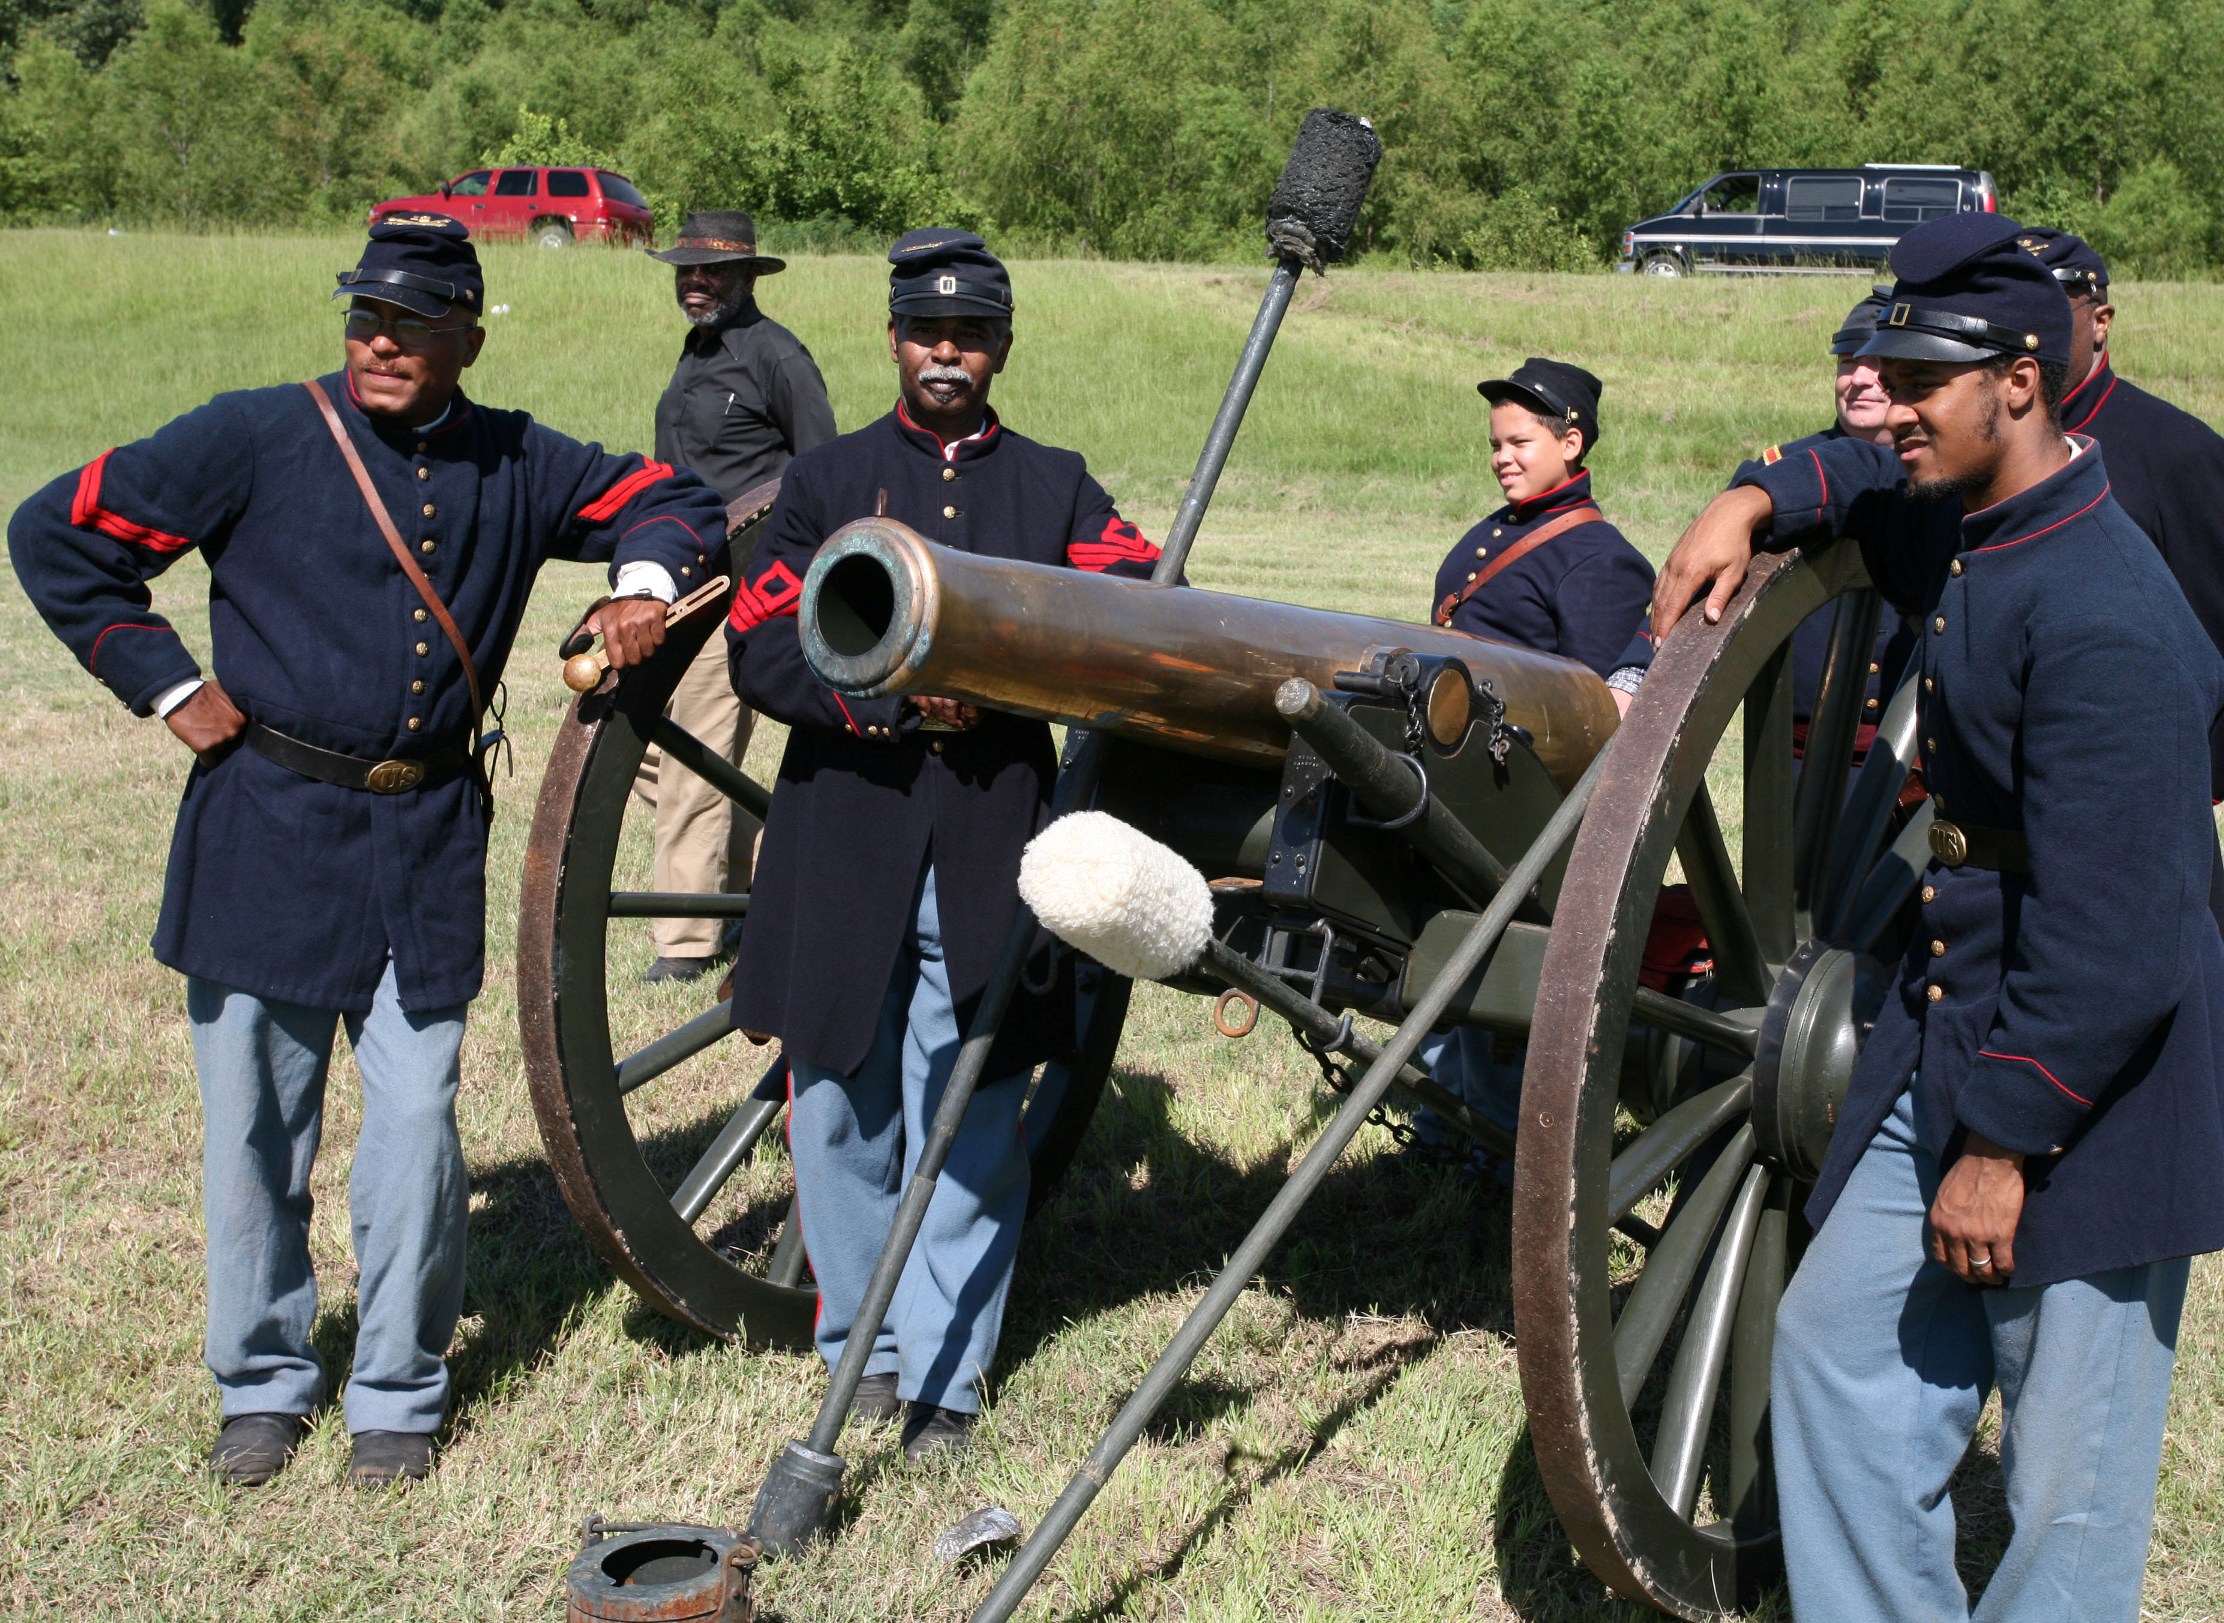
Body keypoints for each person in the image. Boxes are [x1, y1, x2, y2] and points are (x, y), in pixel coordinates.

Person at [7, 217, 728, 1490]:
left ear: (468, 336)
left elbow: (675, 500)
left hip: (430, 840)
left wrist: (638, 582)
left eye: (414, 323)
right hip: (267, 827)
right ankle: (264, 1386)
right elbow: (57, 532)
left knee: (414, 1127)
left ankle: (396, 1391)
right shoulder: (252, 433)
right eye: (367, 318)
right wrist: (167, 685)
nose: (383, 342)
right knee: (255, 1137)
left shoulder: (515, 456)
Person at [1651, 212, 2224, 1622]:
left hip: (2090, 1086)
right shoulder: (1982, 521)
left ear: (2017, 384)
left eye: (1920, 384)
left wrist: (2008, 1142)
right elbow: (1861, 480)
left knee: (2066, 1496)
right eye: (1885, 373)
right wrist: (1755, 494)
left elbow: (2129, 932)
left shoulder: (2106, 615)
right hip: (1943, 1031)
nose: (1885, 406)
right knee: (1838, 1354)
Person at [724, 230, 1161, 1458]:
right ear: (895, 340)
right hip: (845, 829)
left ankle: (946, 1387)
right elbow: (760, 649)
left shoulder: (1057, 485)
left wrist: (1011, 693)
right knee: (842, 1110)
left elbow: (1125, 620)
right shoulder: (827, 482)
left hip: (987, 837)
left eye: (969, 335)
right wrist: (887, 703)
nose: (946, 353)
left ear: (1002, 347)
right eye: (926, 332)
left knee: (967, 1110)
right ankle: (857, 1347)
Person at [1411, 358, 1653, 1164]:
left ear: (1571, 441)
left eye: (1519, 442)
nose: (1501, 457)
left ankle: (1498, 1144)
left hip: (1521, 797)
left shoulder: (1599, 560)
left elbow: (1589, 714)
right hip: (1460, 776)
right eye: (1495, 445)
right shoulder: (1500, 532)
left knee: (1499, 968)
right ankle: (1444, 1120)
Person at [632, 210, 837, 984]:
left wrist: (789, 586)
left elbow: (821, 473)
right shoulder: (695, 354)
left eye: (711, 271)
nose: (695, 281)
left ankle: (683, 945)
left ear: (748, 276)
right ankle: (762, 888)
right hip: (681, 578)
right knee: (655, 753)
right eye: (686, 270)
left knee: (697, 754)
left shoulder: (778, 357)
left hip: (744, 587)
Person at [2023, 226, 2224, 797]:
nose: (2028, 333)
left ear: (2101, 321)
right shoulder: (1985, 440)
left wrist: (2179, 788)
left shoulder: (2178, 453)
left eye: (2048, 311)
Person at [1742, 287, 1918, 748]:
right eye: (1845, 361)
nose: (1857, 378)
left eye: (1877, 364)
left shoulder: (1948, 476)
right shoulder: (1777, 470)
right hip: (1801, 748)